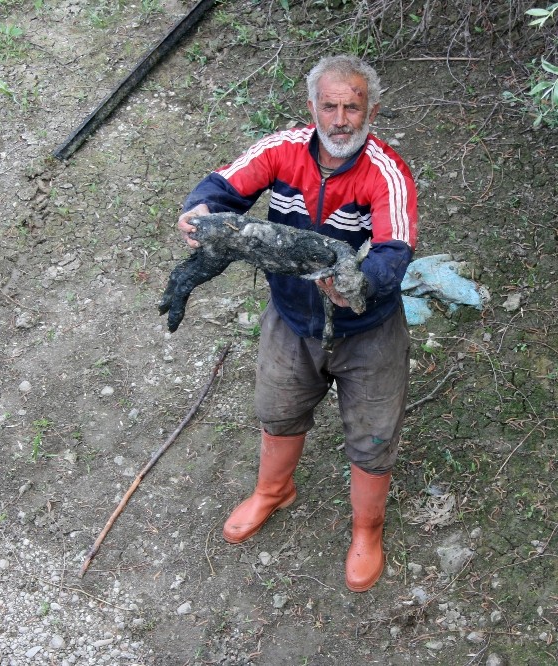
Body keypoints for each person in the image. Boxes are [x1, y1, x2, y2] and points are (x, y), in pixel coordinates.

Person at [177, 55, 418, 592]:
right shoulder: (282, 150)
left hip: (367, 328)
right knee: (278, 410)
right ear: (312, 108)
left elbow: (395, 248)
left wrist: (360, 283)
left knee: (373, 436)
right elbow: (222, 186)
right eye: (329, 106)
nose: (339, 119)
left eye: (351, 107)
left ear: (370, 111)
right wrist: (198, 211)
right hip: (292, 317)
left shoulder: (387, 172)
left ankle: (366, 529)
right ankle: (274, 490)